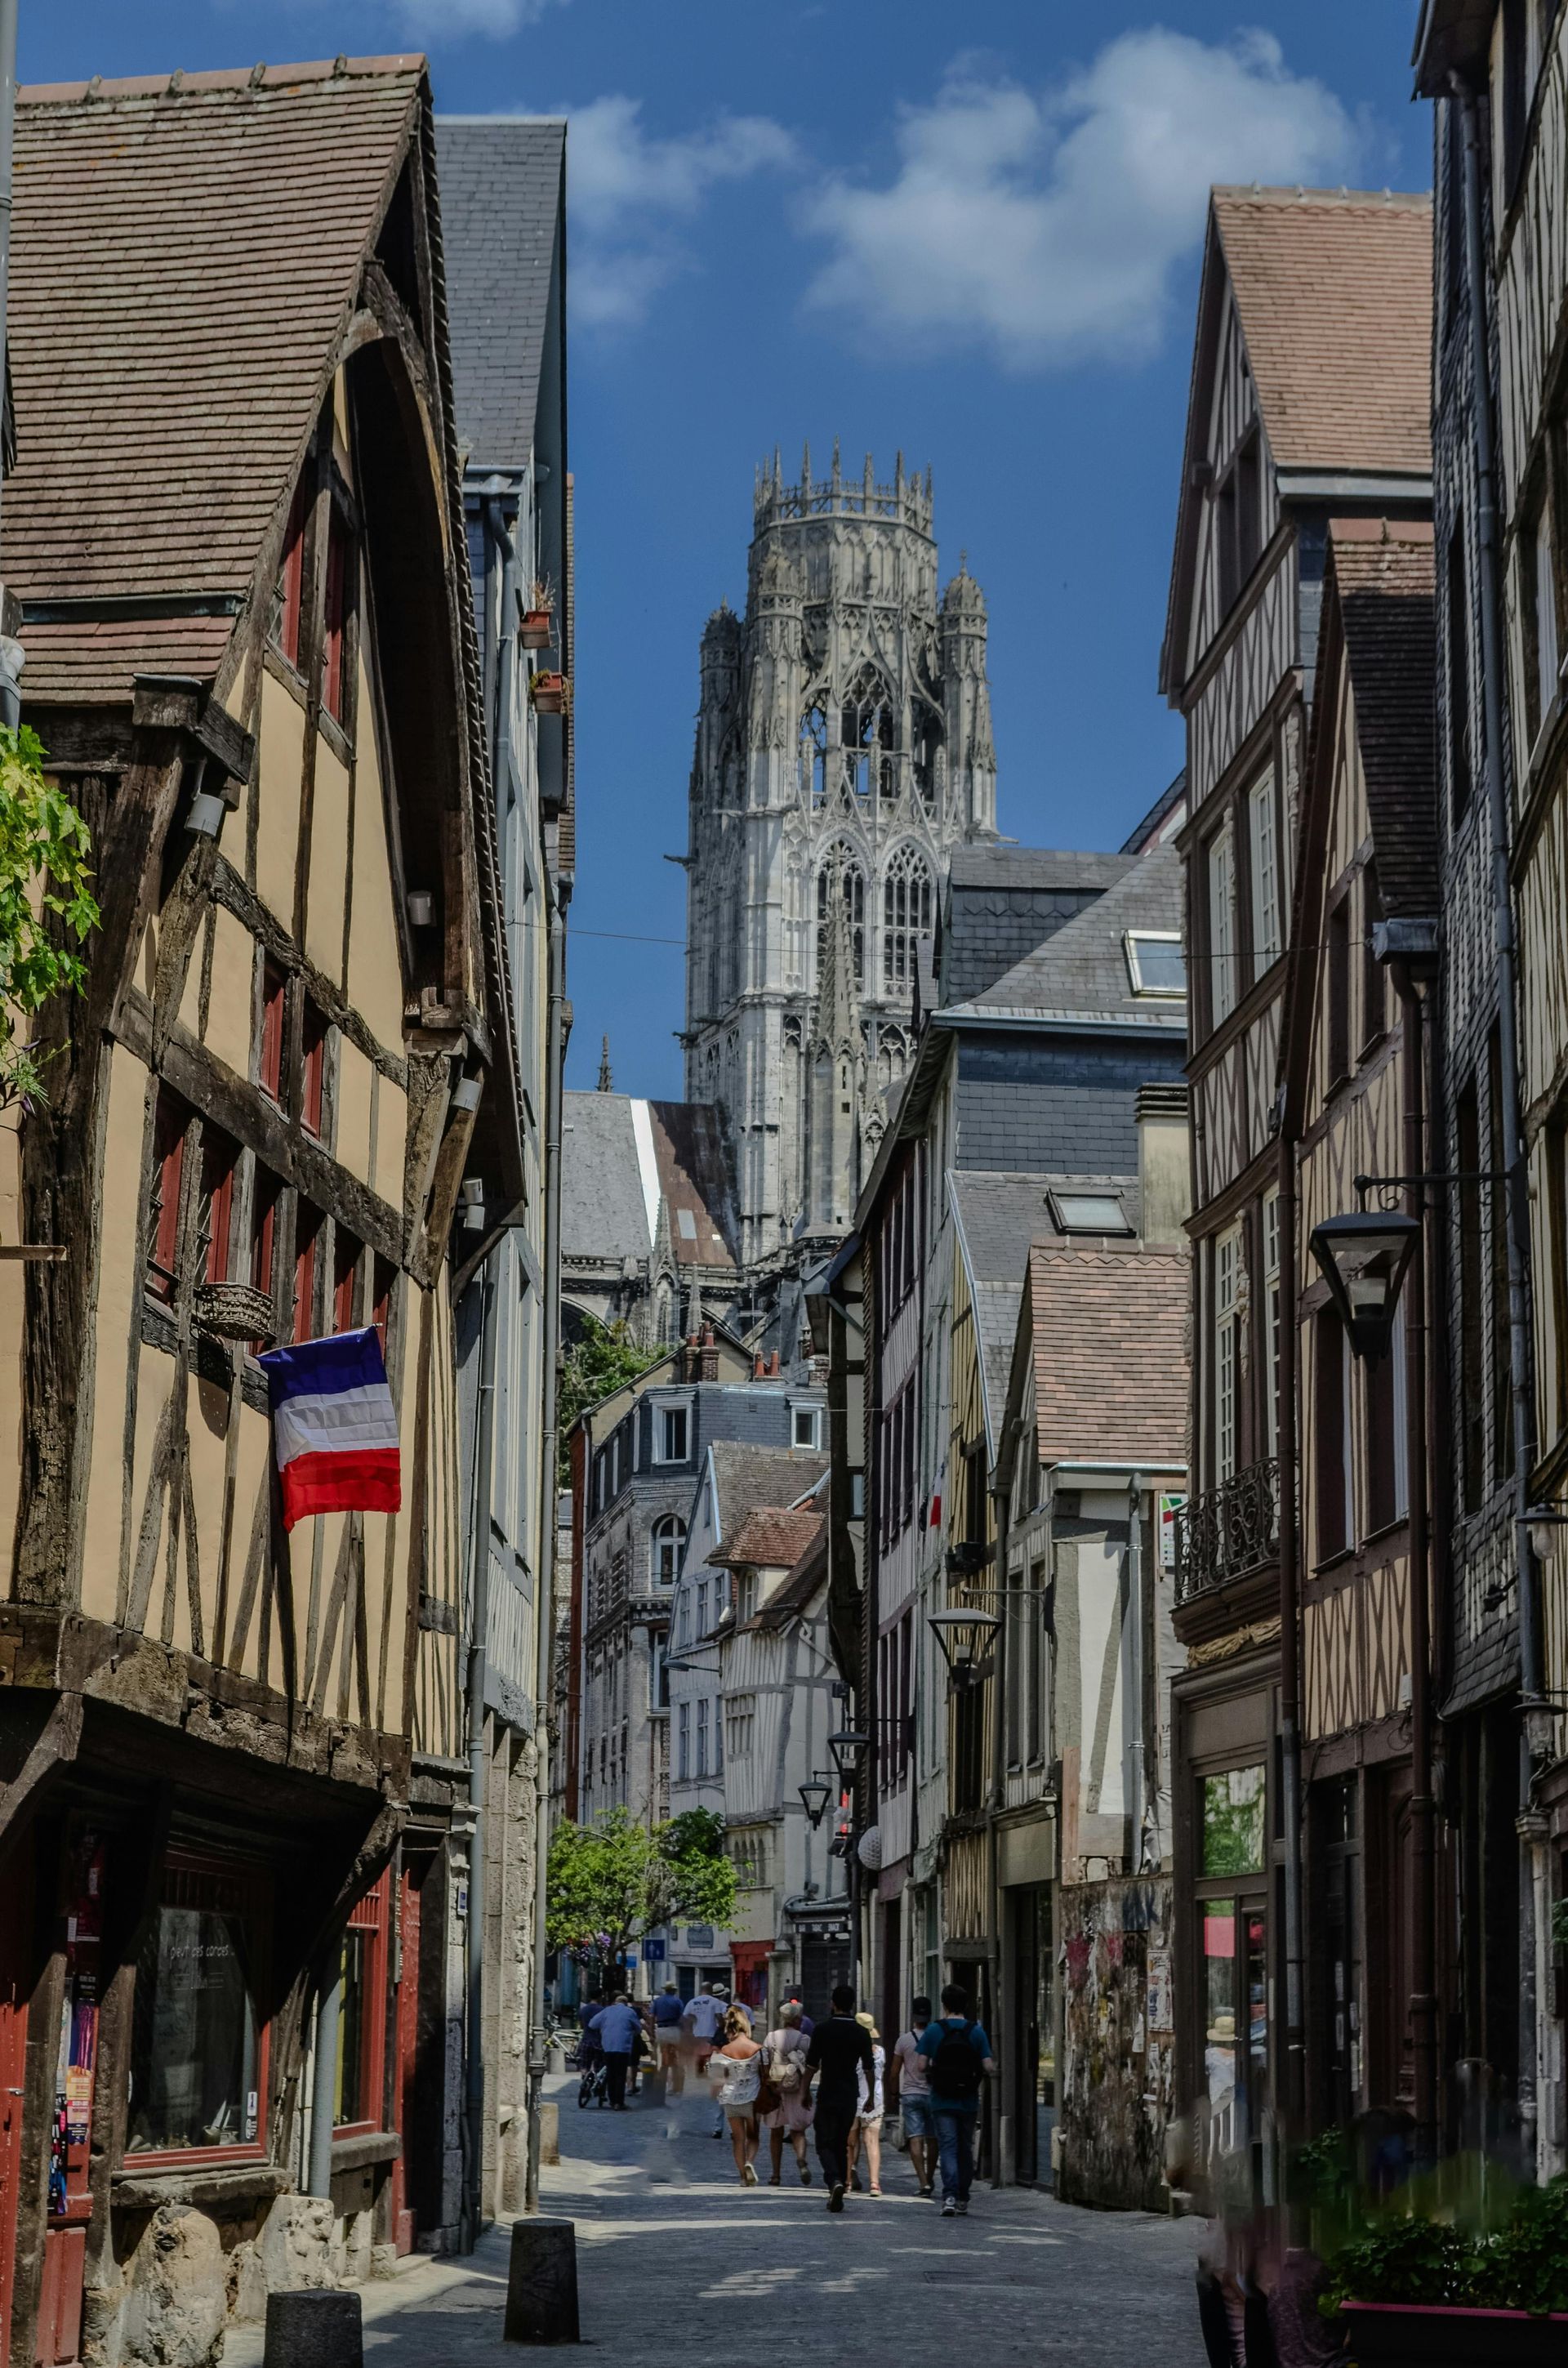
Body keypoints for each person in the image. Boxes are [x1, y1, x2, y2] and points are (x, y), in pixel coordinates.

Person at [917, 1983, 995, 2215]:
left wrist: (936, 2068)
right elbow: (988, 2066)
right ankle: (963, 2195)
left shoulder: (934, 2031)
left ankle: (949, 2196)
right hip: (968, 2099)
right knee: (965, 2147)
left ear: (944, 2005)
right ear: (966, 2005)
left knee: (948, 2148)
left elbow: (921, 2065)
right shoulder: (976, 2032)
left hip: (941, 2099)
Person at [803, 1983, 875, 2213]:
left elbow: (812, 2065)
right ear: (853, 2005)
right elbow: (869, 2069)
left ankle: (833, 2180)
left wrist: (804, 2090)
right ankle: (841, 2185)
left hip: (828, 2092)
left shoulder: (822, 2030)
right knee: (842, 2143)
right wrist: (871, 2096)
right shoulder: (861, 2033)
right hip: (849, 2094)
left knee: (824, 2141)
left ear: (832, 2004)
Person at [758, 1997, 813, 2186]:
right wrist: (808, 2091)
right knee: (798, 2130)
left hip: (776, 2087)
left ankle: (775, 2174)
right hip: (797, 2088)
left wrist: (768, 2085)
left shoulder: (771, 2037)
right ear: (797, 2020)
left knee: (776, 2132)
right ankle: (800, 2159)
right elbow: (809, 2066)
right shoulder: (803, 2039)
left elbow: (764, 2064)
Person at [709, 2003, 764, 2186]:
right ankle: (749, 2162)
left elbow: (719, 2079)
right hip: (753, 2098)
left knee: (737, 2138)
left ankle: (742, 2177)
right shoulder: (757, 2049)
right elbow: (766, 2074)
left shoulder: (724, 2051)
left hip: (731, 2099)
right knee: (753, 2137)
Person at [893, 1996, 936, 2197]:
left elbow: (894, 2071)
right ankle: (930, 2176)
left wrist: (893, 2092)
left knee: (915, 2139)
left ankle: (923, 2182)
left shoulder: (904, 2040)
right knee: (933, 2139)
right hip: (933, 2094)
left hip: (911, 2094)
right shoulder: (938, 2037)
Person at [845, 2012, 885, 2196]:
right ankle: (874, 2183)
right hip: (874, 2099)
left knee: (850, 2142)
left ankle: (847, 2182)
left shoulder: (851, 2053)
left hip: (854, 2098)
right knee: (872, 2141)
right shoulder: (880, 2052)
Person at [589, 1991, 642, 2112]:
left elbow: (592, 2024)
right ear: (626, 2003)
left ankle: (612, 2101)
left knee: (611, 2074)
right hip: (623, 2048)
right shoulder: (630, 2012)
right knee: (620, 2075)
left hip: (608, 2047)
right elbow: (638, 2029)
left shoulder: (607, 2011)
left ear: (615, 2002)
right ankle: (619, 2102)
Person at [653, 1981, 686, 2091]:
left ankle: (662, 2084)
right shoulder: (677, 2001)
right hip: (674, 2030)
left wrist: (653, 2032)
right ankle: (675, 2086)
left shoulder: (657, 2001)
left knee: (662, 2058)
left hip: (661, 2030)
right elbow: (681, 2017)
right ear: (674, 1990)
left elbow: (652, 2017)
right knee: (675, 2058)